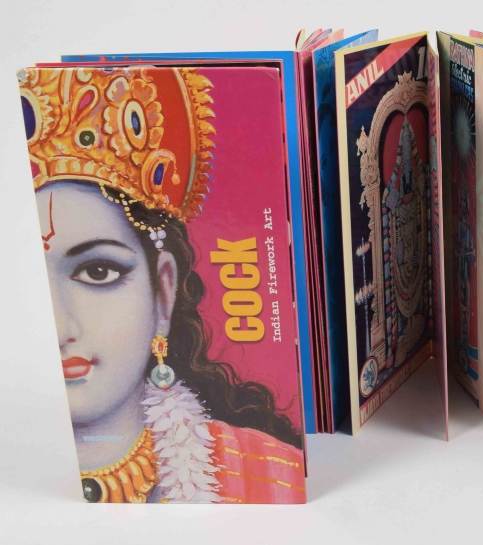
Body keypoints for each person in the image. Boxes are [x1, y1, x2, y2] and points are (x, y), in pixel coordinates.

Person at [20, 66, 305, 503]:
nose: (59, 328)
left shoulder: (269, 473)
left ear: (163, 293)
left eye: (98, 272)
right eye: (37, 279)